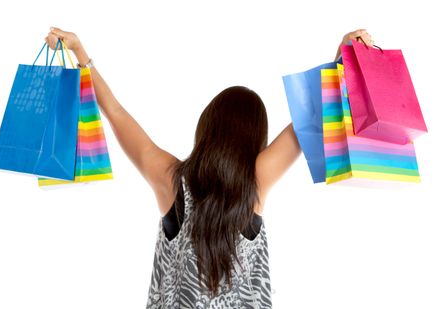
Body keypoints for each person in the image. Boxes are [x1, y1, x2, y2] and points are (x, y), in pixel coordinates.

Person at [45, 27, 374, 308]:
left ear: (208, 127)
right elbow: (308, 122)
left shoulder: (171, 178)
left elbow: (115, 112)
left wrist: (80, 53)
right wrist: (339, 61)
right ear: (253, 137)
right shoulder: (255, 180)